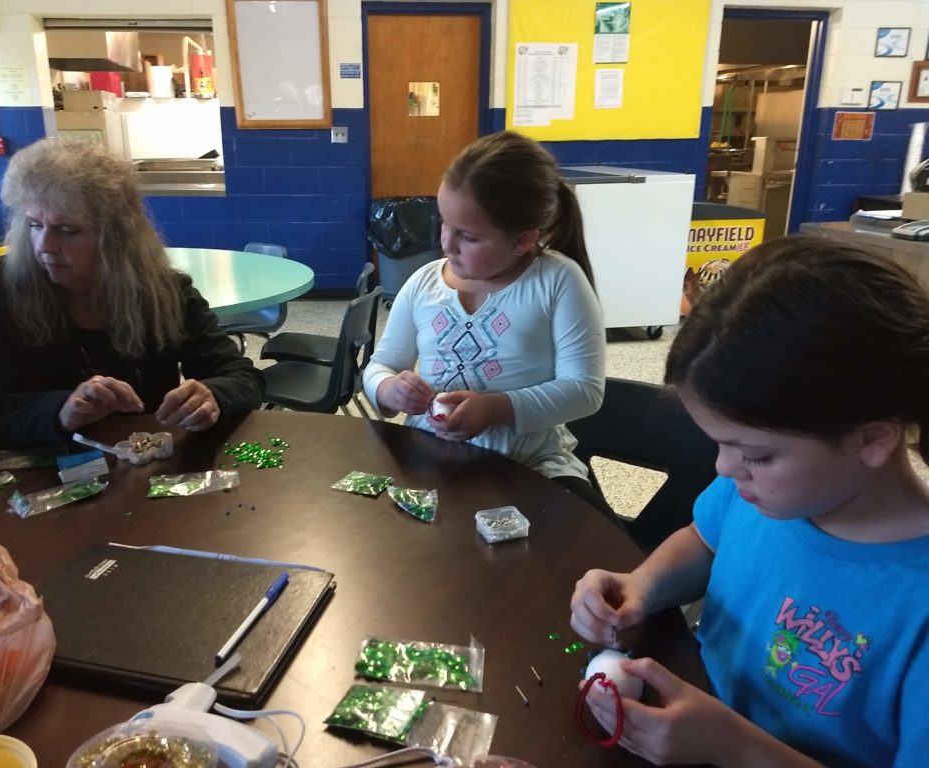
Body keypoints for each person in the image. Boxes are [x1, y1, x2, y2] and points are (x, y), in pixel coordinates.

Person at [570, 235, 929, 768]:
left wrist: (733, 747)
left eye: (755, 455)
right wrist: (645, 584)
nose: (723, 468)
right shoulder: (766, 494)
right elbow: (703, 541)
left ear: (872, 439)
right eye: (719, 444)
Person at [0, 138, 265, 448]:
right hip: (36, 473)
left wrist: (214, 396)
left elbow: (243, 378)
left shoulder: (166, 293)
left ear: (117, 236)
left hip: (143, 470)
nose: (44, 246)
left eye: (68, 230)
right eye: (35, 226)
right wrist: (60, 411)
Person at [362, 131, 606, 496]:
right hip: (430, 460)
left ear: (523, 240)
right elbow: (380, 365)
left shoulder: (558, 281)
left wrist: (496, 409)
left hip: (532, 465)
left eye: (469, 237)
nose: (446, 243)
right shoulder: (423, 283)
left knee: (587, 548)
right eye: (444, 222)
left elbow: (584, 390)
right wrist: (389, 389)